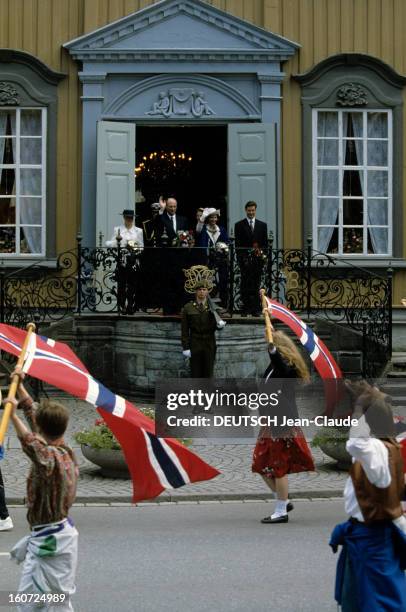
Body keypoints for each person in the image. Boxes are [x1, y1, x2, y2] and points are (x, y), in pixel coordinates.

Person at [329, 381, 406, 612]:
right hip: (365, 535)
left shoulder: (376, 450)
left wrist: (361, 407)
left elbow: (356, 443)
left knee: (375, 601)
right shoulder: (387, 445)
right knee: (358, 598)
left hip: (372, 539)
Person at [6, 369, 78, 609]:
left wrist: (12, 415)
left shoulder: (51, 459)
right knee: (50, 599)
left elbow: (32, 444)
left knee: (40, 601)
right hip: (55, 537)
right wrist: (20, 388)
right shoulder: (65, 450)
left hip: (50, 540)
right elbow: (36, 421)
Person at [252, 323, 315, 523]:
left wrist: (272, 349)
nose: (267, 346)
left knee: (278, 466)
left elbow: (280, 368)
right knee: (260, 464)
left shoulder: (286, 368)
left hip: (281, 422)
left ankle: (281, 511)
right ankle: (283, 500)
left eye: (270, 344)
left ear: (279, 347)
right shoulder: (274, 366)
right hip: (269, 421)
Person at [181, 280, 225, 378]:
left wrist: (219, 326)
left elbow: (217, 325)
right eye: (199, 289)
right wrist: (186, 347)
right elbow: (184, 330)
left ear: (207, 291)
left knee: (208, 371)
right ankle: (197, 393)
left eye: (204, 289)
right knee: (195, 371)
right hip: (195, 342)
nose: (202, 292)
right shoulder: (188, 308)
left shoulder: (213, 307)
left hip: (209, 343)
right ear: (196, 291)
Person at [106, 209, 144, 314]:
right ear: (124, 218)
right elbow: (110, 243)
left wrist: (133, 246)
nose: (129, 220)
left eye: (131, 218)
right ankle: (122, 305)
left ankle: (131, 306)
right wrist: (120, 242)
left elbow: (141, 247)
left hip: (133, 260)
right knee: (122, 284)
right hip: (122, 260)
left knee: (132, 284)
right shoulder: (118, 229)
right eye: (127, 217)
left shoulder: (138, 231)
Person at [157, 197, 190, 315]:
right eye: (170, 206)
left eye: (174, 206)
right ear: (167, 207)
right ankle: (167, 309)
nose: (172, 208)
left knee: (179, 282)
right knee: (167, 283)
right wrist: (161, 211)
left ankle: (178, 308)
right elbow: (156, 226)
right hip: (167, 256)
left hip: (180, 256)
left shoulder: (183, 219)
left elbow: (187, 235)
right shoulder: (162, 218)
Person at [234, 201, 268, 316]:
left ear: (255, 210)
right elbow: (238, 245)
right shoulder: (239, 225)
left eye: (253, 210)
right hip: (245, 261)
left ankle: (256, 309)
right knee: (245, 285)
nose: (251, 212)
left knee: (256, 285)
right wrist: (242, 259)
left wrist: (262, 256)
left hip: (258, 261)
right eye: (249, 210)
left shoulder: (262, 225)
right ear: (246, 210)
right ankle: (246, 309)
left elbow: (264, 244)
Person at [196, 208, 229, 309]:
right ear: (208, 219)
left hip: (220, 261)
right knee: (207, 282)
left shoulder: (221, 229)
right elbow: (197, 229)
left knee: (221, 282)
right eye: (211, 217)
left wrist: (223, 249)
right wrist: (202, 217)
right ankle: (205, 304)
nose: (213, 219)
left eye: (215, 217)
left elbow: (227, 243)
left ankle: (221, 305)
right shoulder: (203, 229)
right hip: (207, 261)